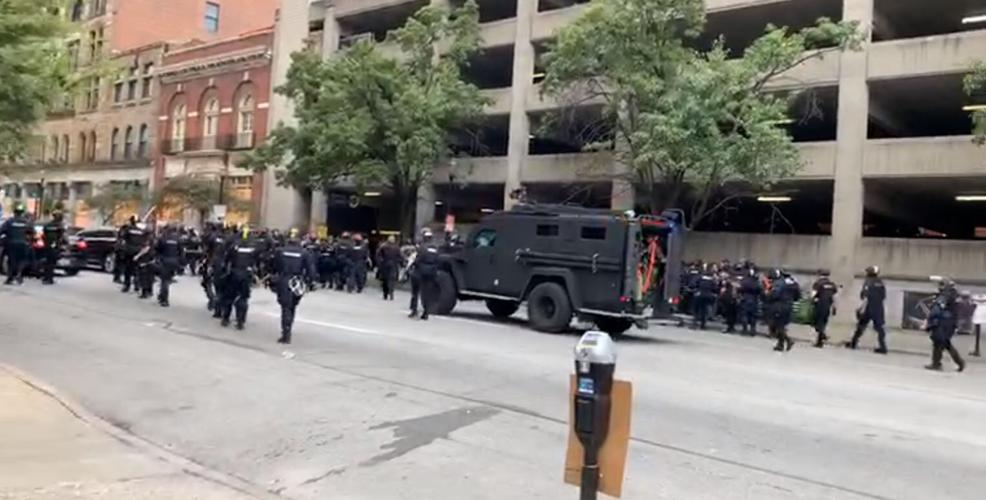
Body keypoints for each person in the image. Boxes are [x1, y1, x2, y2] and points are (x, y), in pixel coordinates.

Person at [271, 229, 317, 344]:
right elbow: (311, 269)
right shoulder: (304, 252)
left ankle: (286, 333)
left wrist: (272, 280)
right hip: (297, 281)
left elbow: (273, 267)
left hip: (284, 280)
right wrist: (311, 282)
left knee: (285, 307)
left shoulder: (280, 251)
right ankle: (288, 327)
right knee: (292, 306)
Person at [219, 226, 257, 330]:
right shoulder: (253, 248)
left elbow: (227, 259)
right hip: (246, 274)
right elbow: (257, 260)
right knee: (243, 298)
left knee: (229, 297)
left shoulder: (234, 246)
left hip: (234, 273)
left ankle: (225, 319)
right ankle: (240, 321)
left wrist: (224, 271)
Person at [925, 278, 965, 372]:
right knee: (944, 343)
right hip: (949, 323)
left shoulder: (945, 296)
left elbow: (937, 309)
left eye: (941, 285)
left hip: (942, 323)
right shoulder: (953, 295)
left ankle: (937, 364)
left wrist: (930, 320)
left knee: (939, 342)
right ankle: (958, 363)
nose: (939, 287)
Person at [847, 266, 888, 354]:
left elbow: (865, 297)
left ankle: (853, 343)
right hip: (878, 308)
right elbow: (883, 296)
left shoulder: (868, 282)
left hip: (868, 307)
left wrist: (861, 308)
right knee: (880, 328)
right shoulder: (881, 282)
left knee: (861, 325)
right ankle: (883, 347)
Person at [766, 269, 801, 352]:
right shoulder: (793, 282)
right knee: (781, 325)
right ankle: (780, 344)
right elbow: (798, 295)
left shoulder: (780, 282)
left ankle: (788, 340)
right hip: (789, 305)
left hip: (779, 305)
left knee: (777, 325)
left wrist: (768, 295)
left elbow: (775, 294)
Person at [409, 228, 440, 320]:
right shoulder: (435, 247)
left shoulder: (422, 247)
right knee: (427, 292)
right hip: (431, 272)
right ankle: (426, 312)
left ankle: (414, 310)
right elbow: (438, 259)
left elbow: (418, 259)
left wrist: (413, 265)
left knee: (415, 292)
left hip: (420, 271)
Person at [0, 203, 33, 285]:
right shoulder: (26, 222)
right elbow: (32, 232)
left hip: (11, 244)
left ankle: (10, 278)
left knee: (11, 261)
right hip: (23, 244)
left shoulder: (9, 221)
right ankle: (19, 275)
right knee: (21, 260)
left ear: (14, 212)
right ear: (22, 213)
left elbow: (1, 231)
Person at [155, 225, 183, 307]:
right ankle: (161, 295)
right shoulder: (178, 239)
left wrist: (158, 258)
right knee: (167, 280)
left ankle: (164, 299)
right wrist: (181, 263)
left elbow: (158, 249)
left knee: (164, 281)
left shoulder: (163, 238)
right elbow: (181, 252)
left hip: (165, 261)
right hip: (174, 261)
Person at [118, 216, 147, 293]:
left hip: (129, 251)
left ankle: (127, 286)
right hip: (138, 252)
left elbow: (123, 238)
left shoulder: (128, 229)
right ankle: (137, 286)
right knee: (137, 269)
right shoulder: (142, 230)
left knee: (128, 269)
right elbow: (144, 241)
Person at [810, 270, 838, 348]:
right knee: (823, 322)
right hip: (827, 306)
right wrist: (834, 307)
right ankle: (821, 339)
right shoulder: (832, 285)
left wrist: (811, 301)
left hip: (819, 305)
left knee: (816, 322)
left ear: (819, 275)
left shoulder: (818, 283)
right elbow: (834, 297)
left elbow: (813, 294)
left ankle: (821, 336)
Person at [40, 209, 67, 285]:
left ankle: (46, 278)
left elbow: (44, 235)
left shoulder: (48, 225)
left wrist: (46, 243)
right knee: (52, 263)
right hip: (54, 246)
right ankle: (49, 279)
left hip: (47, 245)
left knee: (47, 262)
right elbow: (61, 237)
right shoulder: (60, 226)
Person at [691, 264, 717, 330]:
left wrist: (695, 290)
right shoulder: (712, 279)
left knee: (696, 310)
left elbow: (693, 284)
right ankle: (703, 325)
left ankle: (694, 324)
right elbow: (715, 288)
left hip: (699, 294)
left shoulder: (699, 277)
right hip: (708, 296)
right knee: (704, 311)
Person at [738, 265, 762, 336]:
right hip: (754, 299)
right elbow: (759, 290)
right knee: (753, 316)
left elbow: (740, 288)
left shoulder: (745, 280)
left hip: (745, 298)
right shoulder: (756, 281)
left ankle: (744, 329)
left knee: (744, 314)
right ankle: (752, 330)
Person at [376, 235, 402, 301]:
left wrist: (380, 262)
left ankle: (388, 293)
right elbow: (400, 257)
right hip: (389, 265)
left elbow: (378, 255)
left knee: (388, 279)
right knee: (389, 280)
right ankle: (389, 292)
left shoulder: (385, 246)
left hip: (388, 265)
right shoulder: (393, 247)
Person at [718, 266, 739, 333]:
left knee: (729, 314)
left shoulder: (727, 282)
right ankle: (731, 327)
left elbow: (723, 290)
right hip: (734, 299)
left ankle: (729, 327)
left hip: (728, 298)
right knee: (733, 314)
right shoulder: (735, 281)